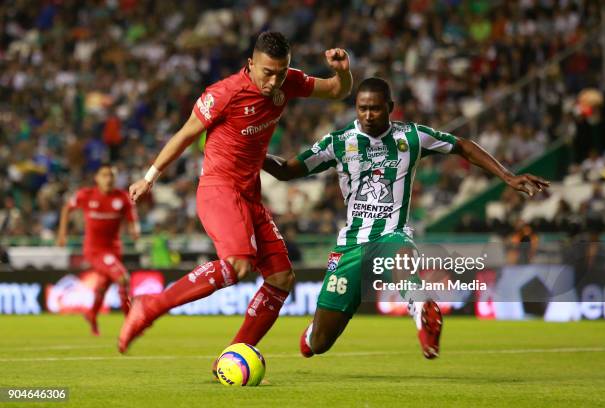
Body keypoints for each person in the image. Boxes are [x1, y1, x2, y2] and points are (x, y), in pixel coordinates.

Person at [262, 78, 550, 359]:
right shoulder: (339, 142)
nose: (368, 115)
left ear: (390, 107)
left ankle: (422, 313)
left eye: (375, 108)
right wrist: (252, 153)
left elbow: (462, 145)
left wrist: (507, 176)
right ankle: (313, 334)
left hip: (392, 234)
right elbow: (288, 170)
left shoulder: (411, 137)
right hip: (351, 245)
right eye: (362, 108)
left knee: (401, 257)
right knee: (319, 344)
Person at [118, 31, 353, 369]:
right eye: (267, 72)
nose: (274, 80)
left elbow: (336, 90)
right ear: (250, 64)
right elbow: (185, 134)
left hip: (250, 194)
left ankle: (230, 358)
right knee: (238, 265)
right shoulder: (224, 94)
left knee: (281, 278)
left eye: (281, 72)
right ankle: (150, 307)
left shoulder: (290, 82)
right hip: (218, 188)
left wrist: (343, 72)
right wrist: (149, 176)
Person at [56, 164, 140, 335]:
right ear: (96, 178)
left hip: (115, 250)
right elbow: (66, 208)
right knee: (122, 278)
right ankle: (131, 323)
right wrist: (62, 233)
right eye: (104, 175)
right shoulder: (86, 195)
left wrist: (134, 230)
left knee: (102, 286)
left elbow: (132, 219)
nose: (108, 179)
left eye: (110, 175)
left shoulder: (122, 198)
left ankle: (91, 315)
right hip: (94, 250)